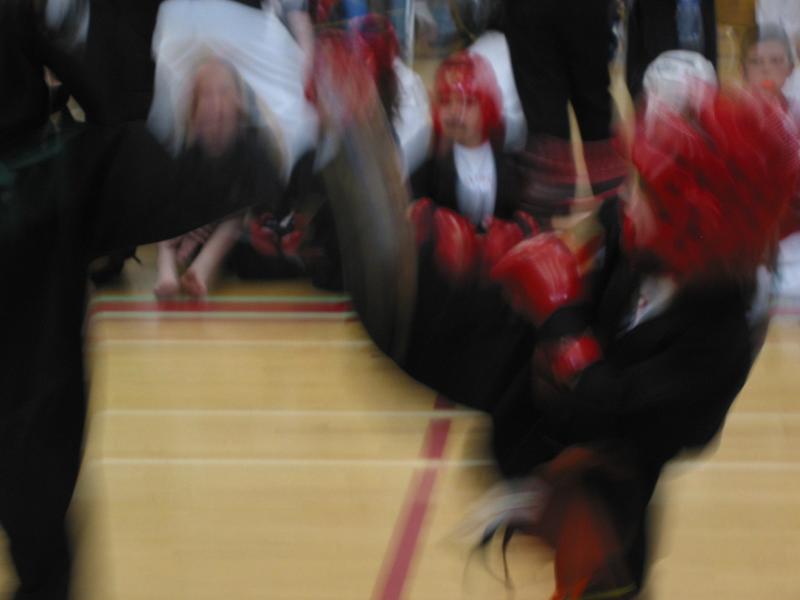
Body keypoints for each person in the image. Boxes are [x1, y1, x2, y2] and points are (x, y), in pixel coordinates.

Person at [335, 57, 800, 597]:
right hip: (557, 414)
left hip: (613, 470)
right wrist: (504, 251)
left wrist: (562, 319)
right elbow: (592, 251)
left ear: (698, 227)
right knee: (498, 317)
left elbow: (626, 417)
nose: (629, 198)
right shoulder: (645, 234)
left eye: (647, 194)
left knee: (600, 570)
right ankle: (403, 291)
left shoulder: (722, 337)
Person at [0, 1, 283, 597]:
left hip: (34, 196)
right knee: (35, 454)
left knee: (35, 463)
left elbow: (109, 82)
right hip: (35, 198)